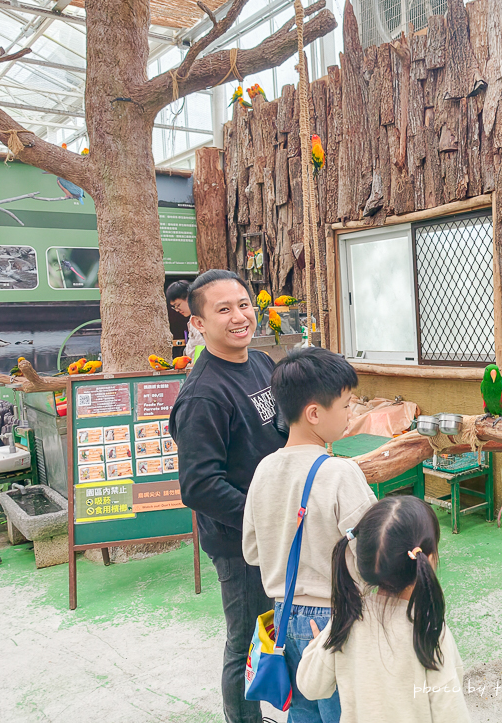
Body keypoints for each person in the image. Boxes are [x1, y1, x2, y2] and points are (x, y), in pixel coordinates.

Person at [169, 269, 287, 723]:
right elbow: (199, 486)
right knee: (247, 640)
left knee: (277, 627)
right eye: (224, 310)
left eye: (243, 305)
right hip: (240, 543)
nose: (240, 317)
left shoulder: (260, 363)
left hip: (279, 527)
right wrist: (265, 520)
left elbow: (281, 426)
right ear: (198, 324)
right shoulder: (203, 395)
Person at [243, 347, 376, 723]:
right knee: (344, 713)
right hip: (335, 618)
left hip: (283, 619)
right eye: (346, 405)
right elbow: (371, 551)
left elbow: (252, 551)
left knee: (303, 713)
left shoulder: (264, 469)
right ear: (314, 413)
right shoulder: (340, 473)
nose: (350, 414)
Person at [296, 496, 471, 723]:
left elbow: (311, 687)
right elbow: (451, 713)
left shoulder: (348, 619)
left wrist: (317, 646)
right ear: (427, 559)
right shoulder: (429, 630)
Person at [166, 279, 206, 359]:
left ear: (189, 298)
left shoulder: (200, 318)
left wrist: (195, 363)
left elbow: (202, 345)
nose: (177, 310)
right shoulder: (192, 319)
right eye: (174, 307)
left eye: (178, 305)